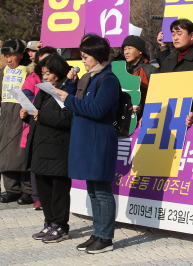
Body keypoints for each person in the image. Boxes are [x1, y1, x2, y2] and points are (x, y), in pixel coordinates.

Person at [53, 35, 119, 254]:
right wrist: (70, 85)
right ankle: (97, 233)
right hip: (87, 139)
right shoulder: (89, 78)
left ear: (98, 56)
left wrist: (69, 99)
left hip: (99, 141)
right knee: (93, 191)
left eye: (85, 56)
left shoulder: (108, 79)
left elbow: (97, 110)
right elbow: (79, 103)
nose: (82, 61)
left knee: (102, 191)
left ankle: (106, 237)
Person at [21, 54, 73, 243]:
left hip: (58, 148)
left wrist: (39, 115)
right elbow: (36, 114)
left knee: (58, 189)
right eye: (43, 73)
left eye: (48, 73)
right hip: (40, 146)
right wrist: (26, 115)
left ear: (58, 72)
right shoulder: (44, 90)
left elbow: (66, 118)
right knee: (43, 189)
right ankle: (49, 222)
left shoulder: (67, 90)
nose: (45, 77)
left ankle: (61, 225)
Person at [20, 46, 58, 210]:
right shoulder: (33, 77)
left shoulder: (61, 79)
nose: (45, 63)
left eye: (49, 59)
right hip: (35, 124)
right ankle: (37, 196)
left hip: (53, 126)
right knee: (36, 163)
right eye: (42, 59)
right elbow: (25, 94)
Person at [160, 19, 193, 124]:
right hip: (165, 118)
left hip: (186, 121)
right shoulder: (168, 60)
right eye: (173, 34)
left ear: (192, 36)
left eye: (179, 33)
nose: (175, 37)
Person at [0, 39, 33, 204]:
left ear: (21, 54)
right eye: (6, 56)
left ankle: (27, 190)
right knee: (5, 153)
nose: (8, 59)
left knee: (21, 153)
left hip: (22, 115)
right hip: (5, 115)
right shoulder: (3, 72)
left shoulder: (28, 70)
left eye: (12, 55)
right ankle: (11, 189)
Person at [121, 35, 158, 120]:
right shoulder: (123, 71)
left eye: (130, 48)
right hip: (124, 119)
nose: (126, 52)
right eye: (125, 49)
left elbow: (157, 98)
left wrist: (141, 106)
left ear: (140, 51)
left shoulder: (151, 70)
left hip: (145, 119)